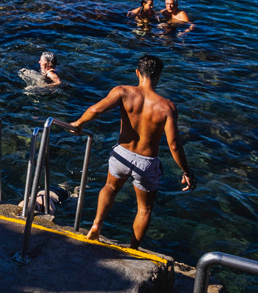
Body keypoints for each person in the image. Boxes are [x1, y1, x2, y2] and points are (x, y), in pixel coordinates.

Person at [70, 54, 195, 248]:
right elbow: (174, 145)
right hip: (146, 162)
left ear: (137, 72)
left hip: (122, 155)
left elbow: (96, 110)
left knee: (110, 188)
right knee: (145, 208)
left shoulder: (122, 92)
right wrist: (187, 172)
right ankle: (133, 248)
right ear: (158, 76)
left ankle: (97, 224)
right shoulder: (167, 107)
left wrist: (79, 123)